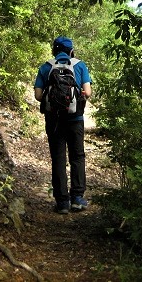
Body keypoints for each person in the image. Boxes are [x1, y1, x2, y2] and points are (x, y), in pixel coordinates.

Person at [34, 36, 92, 214]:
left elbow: (38, 95)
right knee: (77, 156)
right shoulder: (80, 65)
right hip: (75, 119)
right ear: (71, 50)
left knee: (58, 158)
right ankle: (77, 198)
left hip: (54, 121)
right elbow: (88, 92)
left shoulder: (46, 67)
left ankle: (62, 202)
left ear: (54, 50)